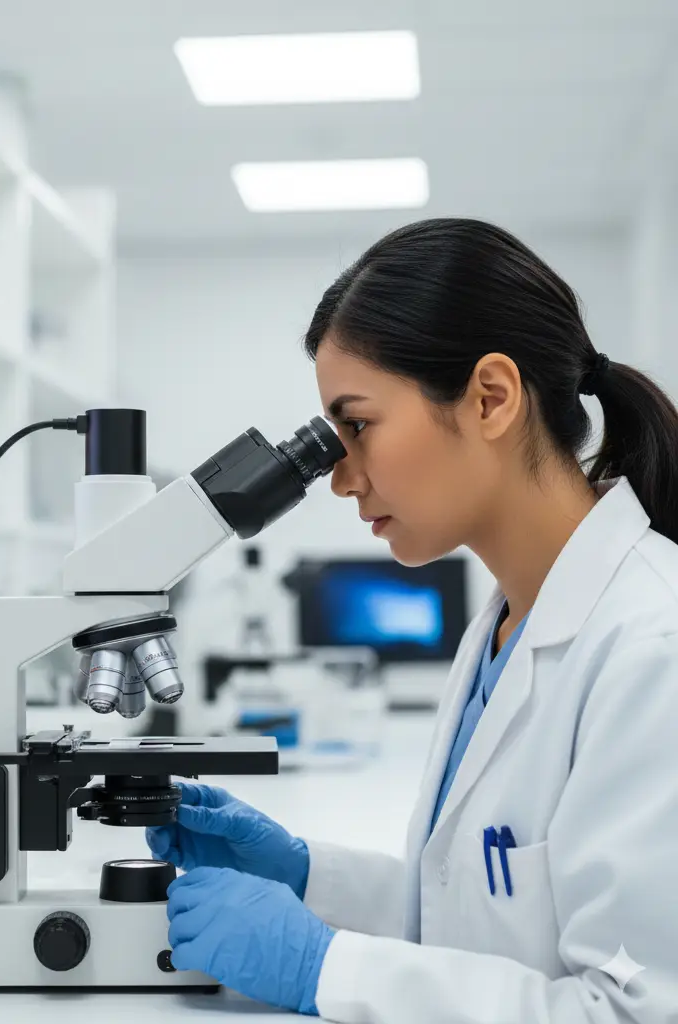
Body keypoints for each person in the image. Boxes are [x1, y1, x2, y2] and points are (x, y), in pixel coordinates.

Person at [148, 218, 678, 1021]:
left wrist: (323, 968)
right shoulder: (504, 625)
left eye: (356, 425)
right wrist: (304, 876)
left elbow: (631, 1011)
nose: (340, 477)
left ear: (490, 399)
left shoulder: (652, 646)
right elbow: (482, 912)